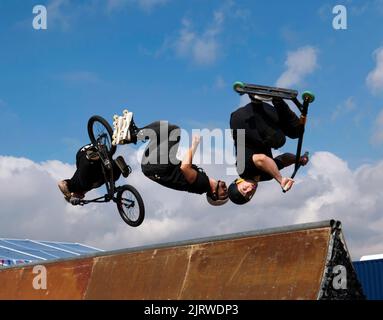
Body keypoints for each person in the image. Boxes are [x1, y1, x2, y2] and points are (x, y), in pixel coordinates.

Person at [112, 111, 229, 206]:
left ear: (214, 194)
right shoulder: (202, 182)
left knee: (173, 131)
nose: (226, 189)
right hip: (153, 168)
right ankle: (130, 135)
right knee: (164, 129)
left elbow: (185, 167)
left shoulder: (202, 184)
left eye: (224, 193)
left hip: (158, 167)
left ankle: (133, 135)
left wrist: (194, 144)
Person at [228, 95, 309, 205]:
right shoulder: (267, 175)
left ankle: (256, 102)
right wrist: (298, 159)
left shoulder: (243, 170)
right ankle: (276, 99)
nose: (249, 190)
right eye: (249, 195)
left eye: (244, 189)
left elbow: (261, 159)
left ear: (237, 182)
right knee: (296, 131)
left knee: (279, 141)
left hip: (243, 123)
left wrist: (280, 180)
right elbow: (283, 159)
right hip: (260, 116)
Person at [58, 144, 130, 203]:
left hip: (84, 153)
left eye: (77, 199)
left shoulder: (74, 186)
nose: (81, 198)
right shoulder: (90, 186)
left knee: (86, 181)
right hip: (101, 152)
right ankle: (117, 164)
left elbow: (61, 184)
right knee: (111, 177)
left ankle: (90, 157)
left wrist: (69, 197)